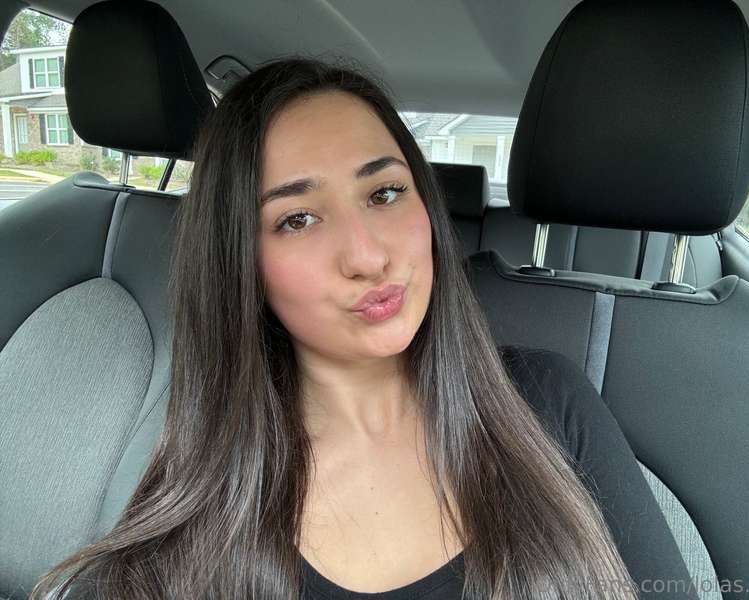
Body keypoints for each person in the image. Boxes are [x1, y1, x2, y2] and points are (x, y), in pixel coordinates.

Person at [34, 58, 698, 600]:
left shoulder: (551, 403)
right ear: (241, 264)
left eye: (384, 193)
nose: (368, 256)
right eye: (297, 219)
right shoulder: (201, 511)